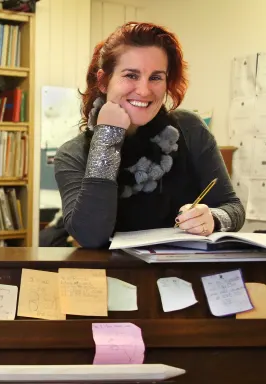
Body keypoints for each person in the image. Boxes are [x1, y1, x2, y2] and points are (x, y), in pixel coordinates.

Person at [53, 22, 244, 249]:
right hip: (116, 280)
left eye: (155, 78)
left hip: (187, 277)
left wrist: (212, 218)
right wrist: (107, 137)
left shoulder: (190, 128)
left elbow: (233, 208)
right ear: (104, 81)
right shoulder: (72, 154)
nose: (144, 90)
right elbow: (90, 236)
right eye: (131, 75)